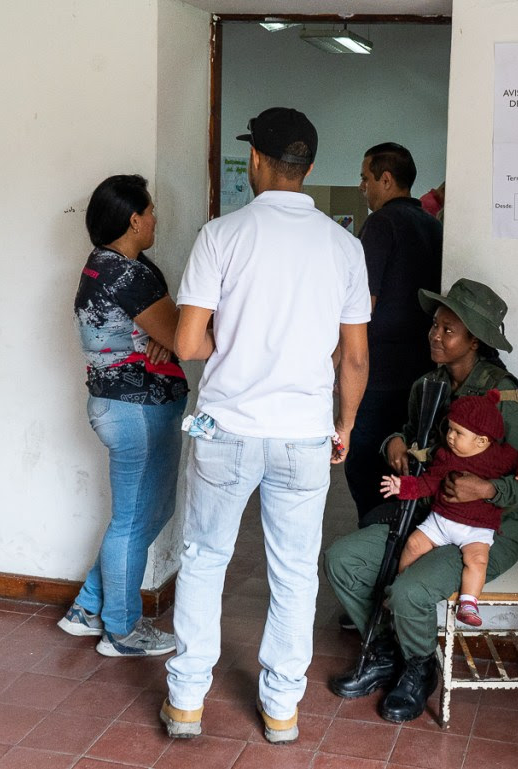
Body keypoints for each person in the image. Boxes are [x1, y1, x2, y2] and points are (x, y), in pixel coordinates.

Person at [159, 108, 370, 744]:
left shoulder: (220, 236)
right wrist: (347, 425)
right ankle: (281, 708)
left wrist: (235, 336)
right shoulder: (344, 246)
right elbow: (355, 355)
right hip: (304, 434)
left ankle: (187, 701)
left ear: (255, 160)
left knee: (202, 560)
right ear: (306, 167)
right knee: (295, 572)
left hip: (227, 429)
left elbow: (189, 344)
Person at [325, 278, 518, 723]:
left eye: (449, 330)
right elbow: (412, 435)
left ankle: (419, 668)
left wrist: (487, 489)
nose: (435, 335)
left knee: (409, 590)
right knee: (342, 559)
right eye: (435, 325)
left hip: (489, 529)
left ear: (476, 341)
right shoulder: (428, 385)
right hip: (432, 513)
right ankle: (389, 650)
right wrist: (395, 444)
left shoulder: (505, 397)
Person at [60, 174, 187, 658]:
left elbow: (170, 333)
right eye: (151, 211)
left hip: (121, 406)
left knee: (140, 516)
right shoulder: (127, 275)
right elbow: (183, 337)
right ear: (134, 220)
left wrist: (168, 332)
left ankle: (88, 607)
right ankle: (122, 629)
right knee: (133, 521)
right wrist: (172, 333)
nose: (156, 218)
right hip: (136, 410)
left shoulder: (103, 265)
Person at [381, 390, 518, 627]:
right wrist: (402, 486)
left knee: (477, 561)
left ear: (482, 441)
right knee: (413, 545)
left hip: (477, 527)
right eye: (450, 429)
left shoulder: (500, 457)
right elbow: (429, 483)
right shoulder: (446, 456)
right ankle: (399, 585)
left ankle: (468, 603)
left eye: (458, 432)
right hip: (441, 520)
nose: (450, 436)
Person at [346, 143, 442, 522]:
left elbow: (362, 304)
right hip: (422, 371)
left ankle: (372, 550)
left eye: (365, 178)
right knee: (405, 463)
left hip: (380, 370)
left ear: (386, 180)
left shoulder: (381, 224)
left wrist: (340, 362)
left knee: (366, 466)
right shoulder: (433, 226)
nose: (362, 187)